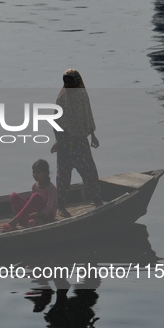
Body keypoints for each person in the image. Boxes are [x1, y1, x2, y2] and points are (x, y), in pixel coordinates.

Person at [51, 69, 103, 218]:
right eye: (65, 82)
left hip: (80, 140)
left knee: (89, 172)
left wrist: (93, 135)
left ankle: (97, 200)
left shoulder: (82, 95)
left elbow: (88, 115)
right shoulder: (62, 97)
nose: (67, 85)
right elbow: (56, 121)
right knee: (63, 176)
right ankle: (61, 206)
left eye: (70, 82)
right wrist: (58, 141)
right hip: (65, 141)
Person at [2, 159, 58, 232]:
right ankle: (24, 220)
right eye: (33, 172)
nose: (35, 175)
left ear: (45, 173)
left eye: (38, 172)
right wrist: (29, 216)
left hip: (46, 218)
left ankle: (15, 221)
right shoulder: (34, 186)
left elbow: (49, 209)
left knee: (36, 196)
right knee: (13, 196)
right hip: (33, 217)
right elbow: (32, 205)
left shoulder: (51, 188)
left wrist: (31, 216)